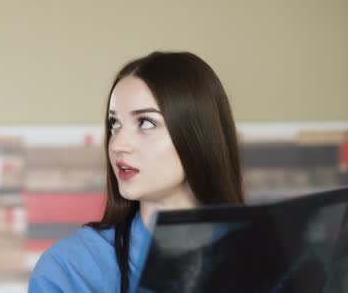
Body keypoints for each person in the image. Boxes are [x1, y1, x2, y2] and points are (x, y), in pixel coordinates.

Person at [28, 51, 245, 293]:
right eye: (114, 124)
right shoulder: (66, 268)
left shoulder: (259, 254)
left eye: (145, 123)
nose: (118, 144)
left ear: (199, 135)